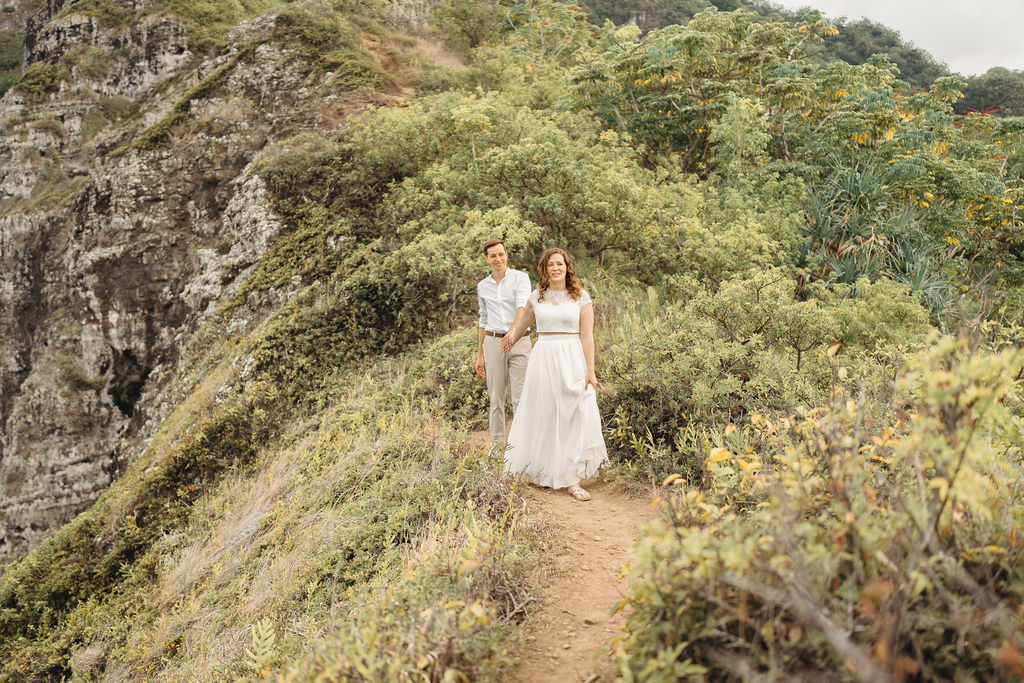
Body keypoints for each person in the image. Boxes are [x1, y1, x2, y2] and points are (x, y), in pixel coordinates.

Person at [500, 247, 608, 501]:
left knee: (574, 413)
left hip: (572, 357)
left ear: (567, 267)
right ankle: (545, 473)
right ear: (545, 269)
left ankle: (572, 479)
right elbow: (521, 326)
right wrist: (507, 342)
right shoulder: (537, 297)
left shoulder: (581, 297)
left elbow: (587, 336)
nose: (556, 268)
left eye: (560, 264)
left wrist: (590, 370)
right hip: (544, 357)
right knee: (547, 414)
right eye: (551, 265)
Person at [476, 239, 533, 445]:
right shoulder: (483, 286)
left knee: (520, 398)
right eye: (493, 256)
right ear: (487, 259)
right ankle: (498, 446)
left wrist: (512, 334)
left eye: (501, 254)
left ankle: (521, 446)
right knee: (496, 398)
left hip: (520, 341)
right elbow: (483, 319)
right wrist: (480, 354)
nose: (498, 259)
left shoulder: (521, 278)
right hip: (493, 343)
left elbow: (522, 308)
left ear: (506, 254)